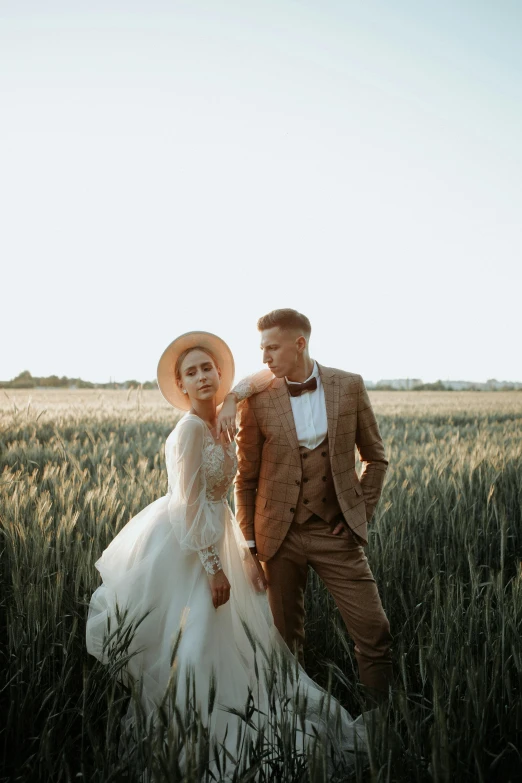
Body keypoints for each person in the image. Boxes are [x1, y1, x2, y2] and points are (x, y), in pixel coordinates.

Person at [86, 331, 368, 778]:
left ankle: (235, 720)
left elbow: (264, 376)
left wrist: (234, 398)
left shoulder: (220, 418)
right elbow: (189, 506)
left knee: (240, 643)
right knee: (198, 640)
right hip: (188, 544)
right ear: (180, 385)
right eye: (191, 372)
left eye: (207, 368)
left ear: (219, 374)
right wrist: (215, 569)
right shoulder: (190, 431)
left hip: (220, 535)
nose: (201, 376)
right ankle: (197, 742)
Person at [217, 309, 393, 704]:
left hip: (336, 534)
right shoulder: (258, 400)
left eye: (272, 347)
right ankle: (291, 725)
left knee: (374, 629)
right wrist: (249, 547)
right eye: (262, 349)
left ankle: (381, 722)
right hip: (277, 538)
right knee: (284, 642)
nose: (265, 358)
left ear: (300, 344)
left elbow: (376, 458)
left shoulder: (348, 386)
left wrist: (358, 514)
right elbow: (244, 480)